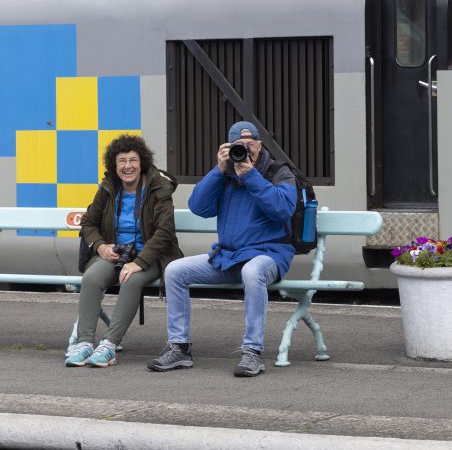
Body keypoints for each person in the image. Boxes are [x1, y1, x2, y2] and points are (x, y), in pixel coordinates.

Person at [147, 121, 296, 377]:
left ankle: (252, 352)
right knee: (174, 270)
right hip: (228, 256)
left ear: (260, 145)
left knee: (252, 271)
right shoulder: (225, 175)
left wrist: (251, 175)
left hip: (269, 256)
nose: (246, 151)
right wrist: (219, 170)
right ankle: (179, 348)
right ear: (228, 148)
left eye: (250, 145)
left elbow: (283, 209)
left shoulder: (278, 172)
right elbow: (198, 207)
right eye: (239, 147)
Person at [65, 134, 183, 367]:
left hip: (151, 257)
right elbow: (89, 223)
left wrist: (138, 262)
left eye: (133, 160)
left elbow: (165, 232)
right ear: (114, 165)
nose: (127, 166)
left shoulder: (158, 186)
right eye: (122, 161)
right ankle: (85, 343)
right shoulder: (109, 186)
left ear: (142, 163)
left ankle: (109, 345)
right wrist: (101, 246)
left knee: (130, 280)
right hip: (116, 254)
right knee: (91, 278)